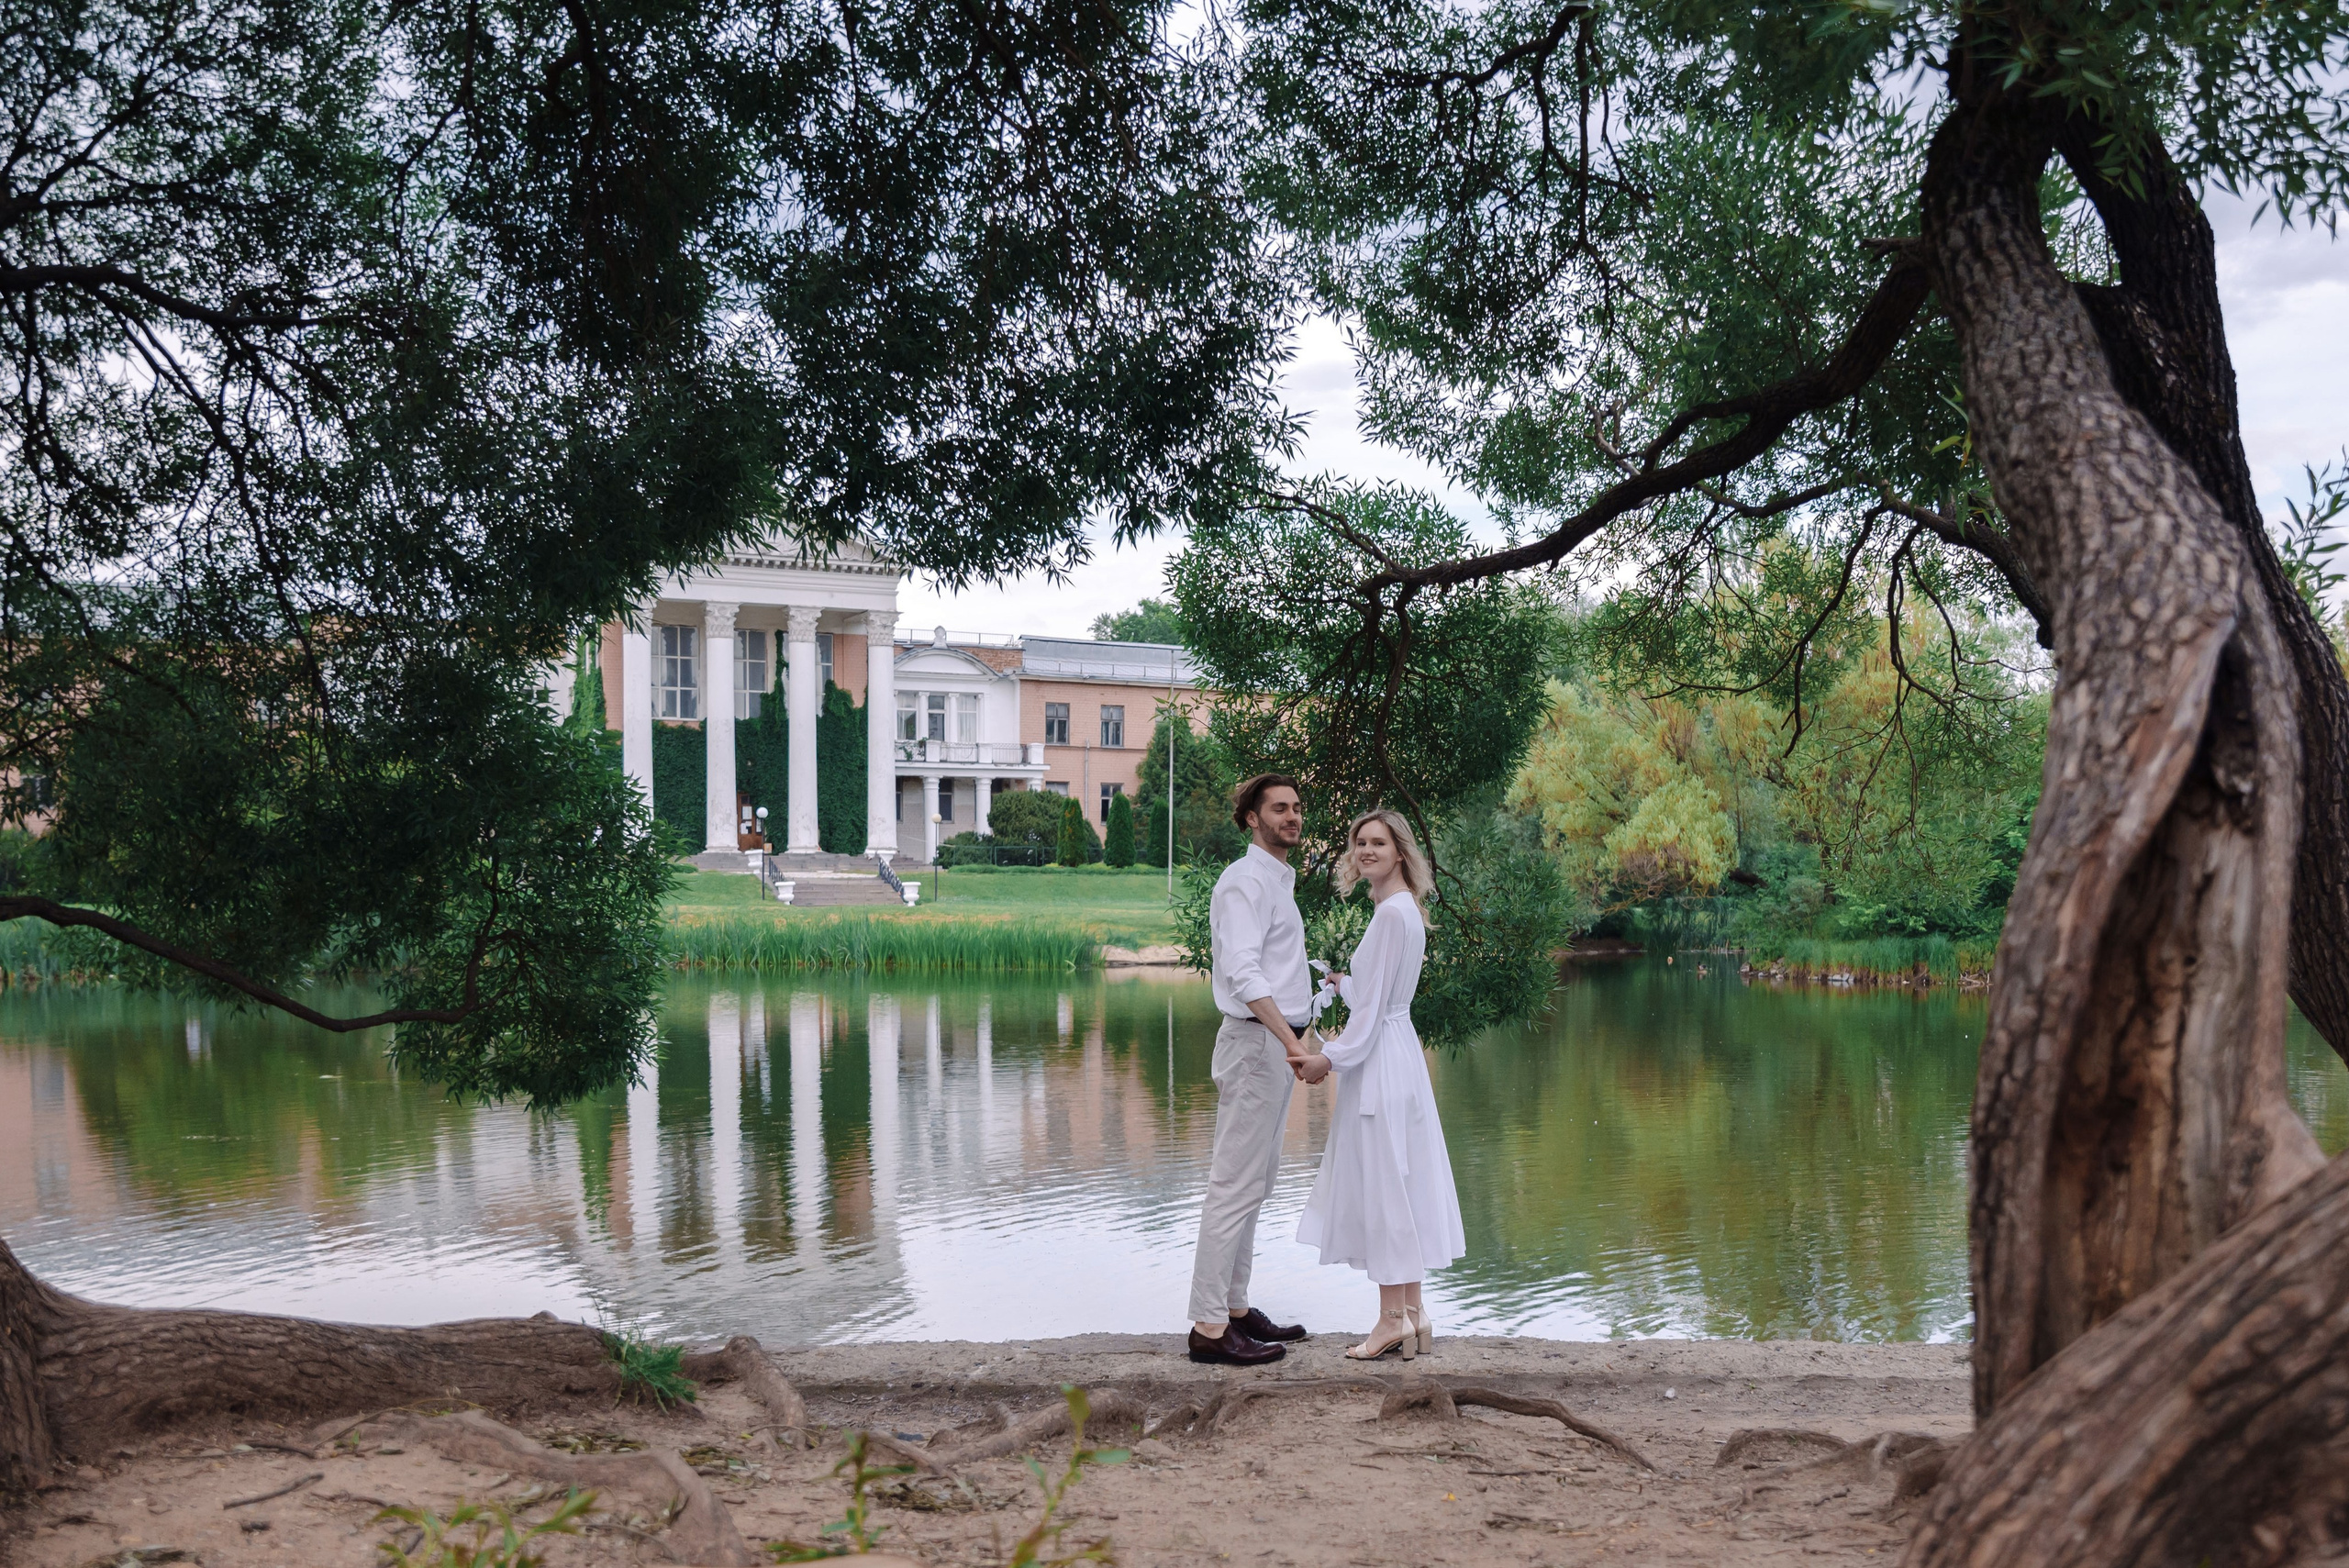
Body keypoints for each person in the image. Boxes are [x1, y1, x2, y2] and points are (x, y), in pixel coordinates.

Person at [1292, 808, 1464, 1361]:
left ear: (1399, 852)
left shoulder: (1391, 916)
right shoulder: (1403, 910)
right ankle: (1413, 1313)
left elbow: (1368, 1020)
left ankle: (1392, 1319)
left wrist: (1328, 1059)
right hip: (1400, 1052)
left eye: (1378, 843)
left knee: (1386, 1184)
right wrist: (1347, 983)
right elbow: (1381, 996)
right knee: (1402, 1179)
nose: (1366, 850)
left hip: (1380, 1061)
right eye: (1359, 842)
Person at [1186, 773, 1322, 1366]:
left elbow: (1282, 970)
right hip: (1256, 1043)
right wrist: (1291, 1041)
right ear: (1251, 818)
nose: (1292, 817)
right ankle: (1209, 1329)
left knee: (1257, 1182)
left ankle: (1236, 1309)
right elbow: (1243, 973)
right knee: (1233, 1184)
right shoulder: (1244, 881)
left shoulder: (1277, 881)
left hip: (1272, 1043)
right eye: (1279, 808)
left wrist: (1306, 1026)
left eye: (1296, 808)